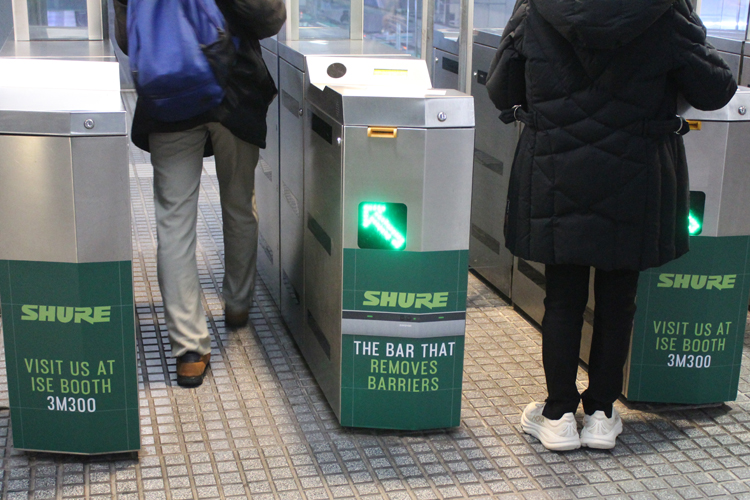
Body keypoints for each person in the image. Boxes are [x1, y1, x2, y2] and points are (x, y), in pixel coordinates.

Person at [486, 0, 736, 450]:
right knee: (619, 299)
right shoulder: (666, 10)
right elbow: (716, 90)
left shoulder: (537, 8)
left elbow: (502, 90)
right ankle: (601, 413)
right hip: (636, 171)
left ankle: (559, 414)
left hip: (556, 169)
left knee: (562, 297)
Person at [114, 0, 286, 387]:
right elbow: (270, 18)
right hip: (233, 91)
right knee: (239, 205)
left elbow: (128, 39)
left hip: (169, 93)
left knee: (173, 222)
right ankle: (238, 305)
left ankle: (189, 349)